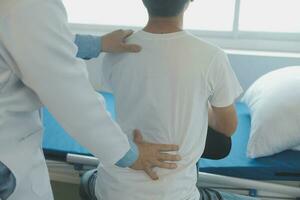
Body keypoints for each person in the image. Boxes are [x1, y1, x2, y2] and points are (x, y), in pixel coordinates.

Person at [80, 0, 262, 199]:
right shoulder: (211, 56)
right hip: (176, 195)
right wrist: (199, 104)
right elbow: (227, 127)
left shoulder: (119, 49)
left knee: (90, 176)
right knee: (220, 143)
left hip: (112, 191)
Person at [0, 0, 182, 199]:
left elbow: (31, 37)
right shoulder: (28, 6)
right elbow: (68, 95)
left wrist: (97, 44)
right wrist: (128, 153)